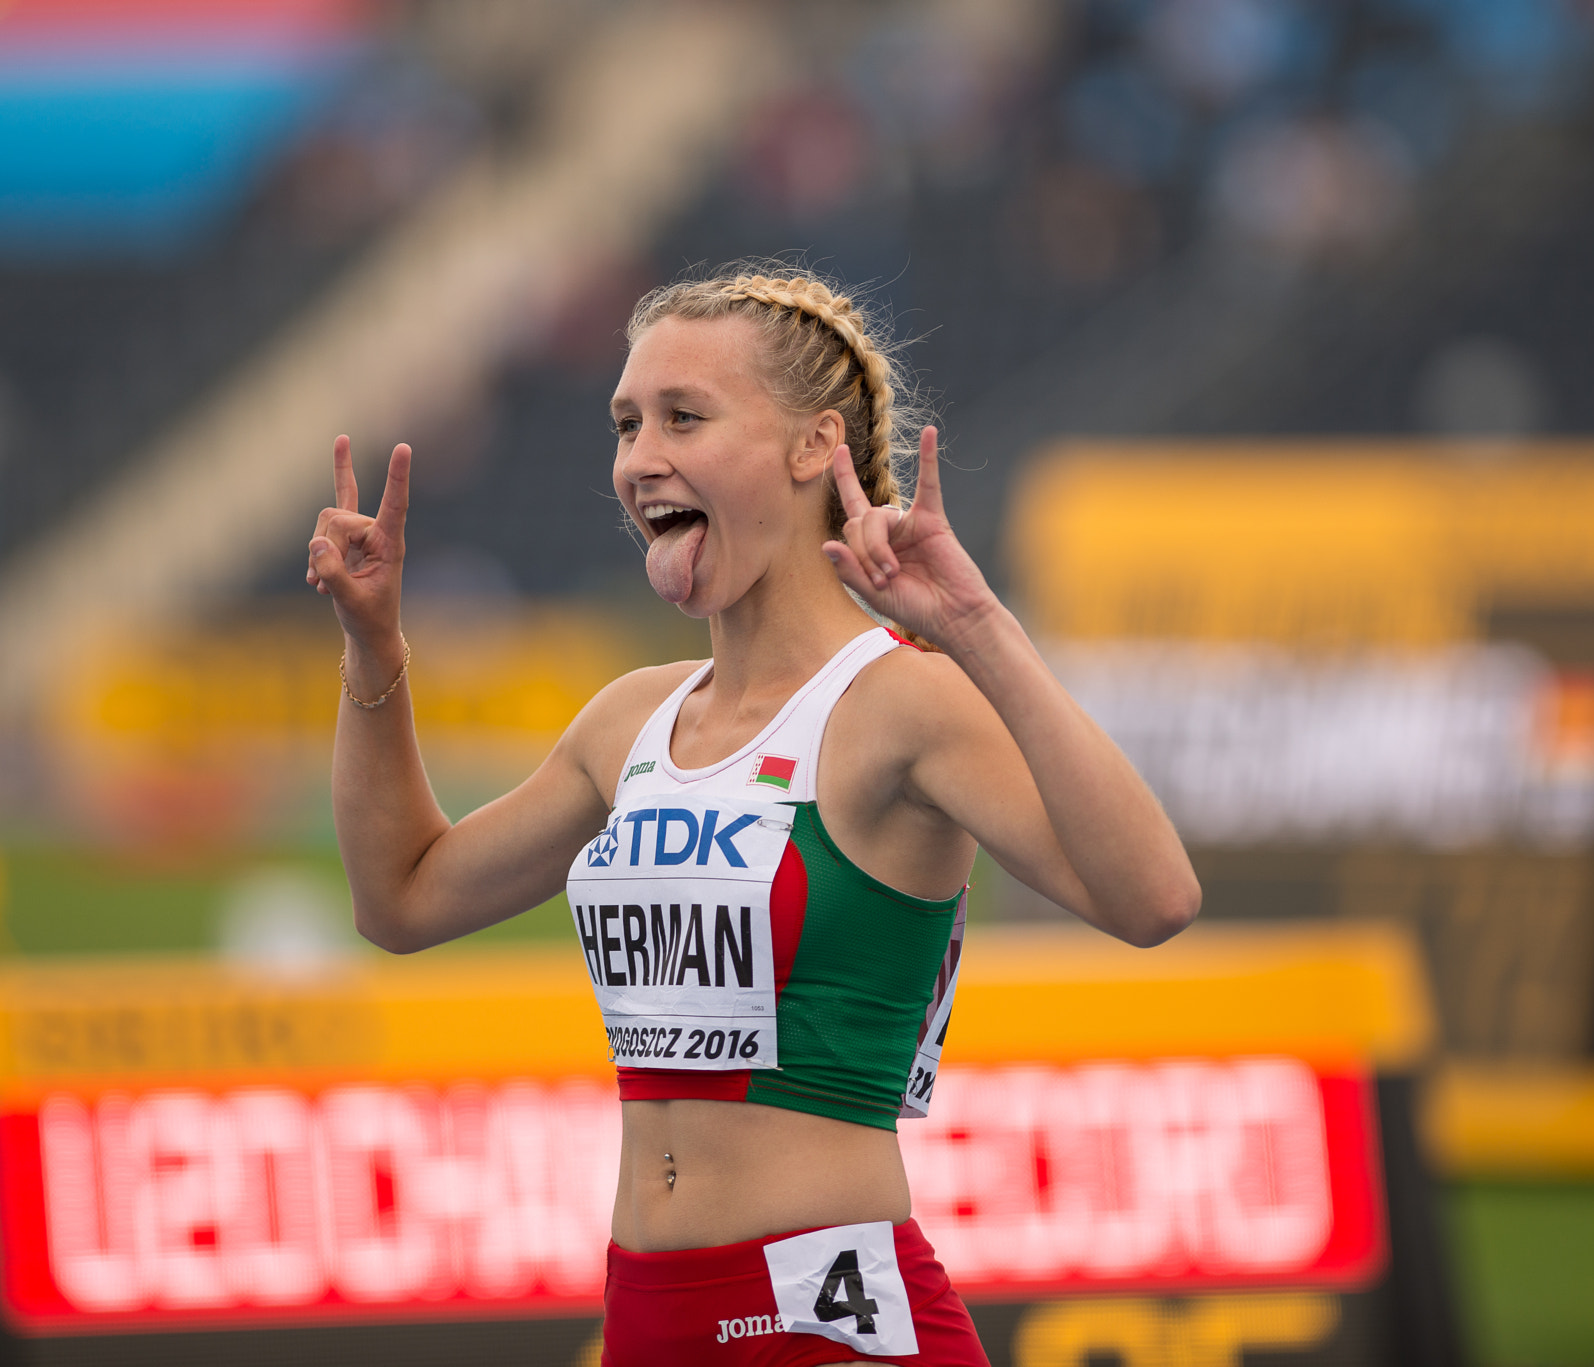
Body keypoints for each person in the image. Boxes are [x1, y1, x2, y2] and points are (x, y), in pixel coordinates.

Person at [306, 265, 1200, 1366]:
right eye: (626, 423)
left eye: (685, 416)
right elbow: (399, 897)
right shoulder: (629, 720)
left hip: (821, 1315)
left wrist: (976, 626)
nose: (640, 458)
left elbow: (1153, 897)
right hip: (648, 1312)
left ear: (812, 446)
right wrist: (373, 644)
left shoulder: (898, 702)